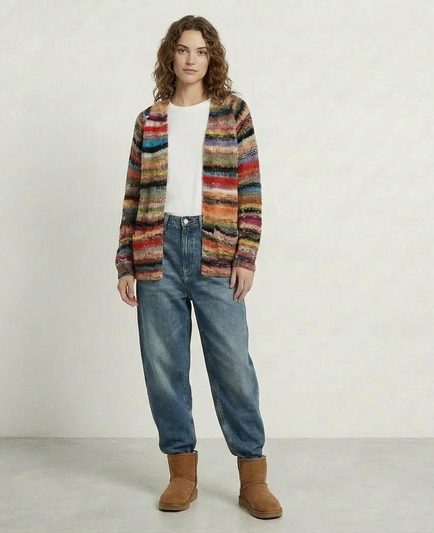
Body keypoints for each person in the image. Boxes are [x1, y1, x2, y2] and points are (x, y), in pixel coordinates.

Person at [115, 15, 282, 520]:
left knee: (233, 366)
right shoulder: (150, 119)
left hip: (217, 250)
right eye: (184, 49)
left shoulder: (233, 112)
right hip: (156, 249)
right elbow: (133, 194)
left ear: (213, 59)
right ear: (171, 55)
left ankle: (253, 478)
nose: (192, 59)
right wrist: (125, 260)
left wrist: (246, 255)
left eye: (202, 51)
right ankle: (181, 475)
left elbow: (250, 188)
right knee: (164, 367)